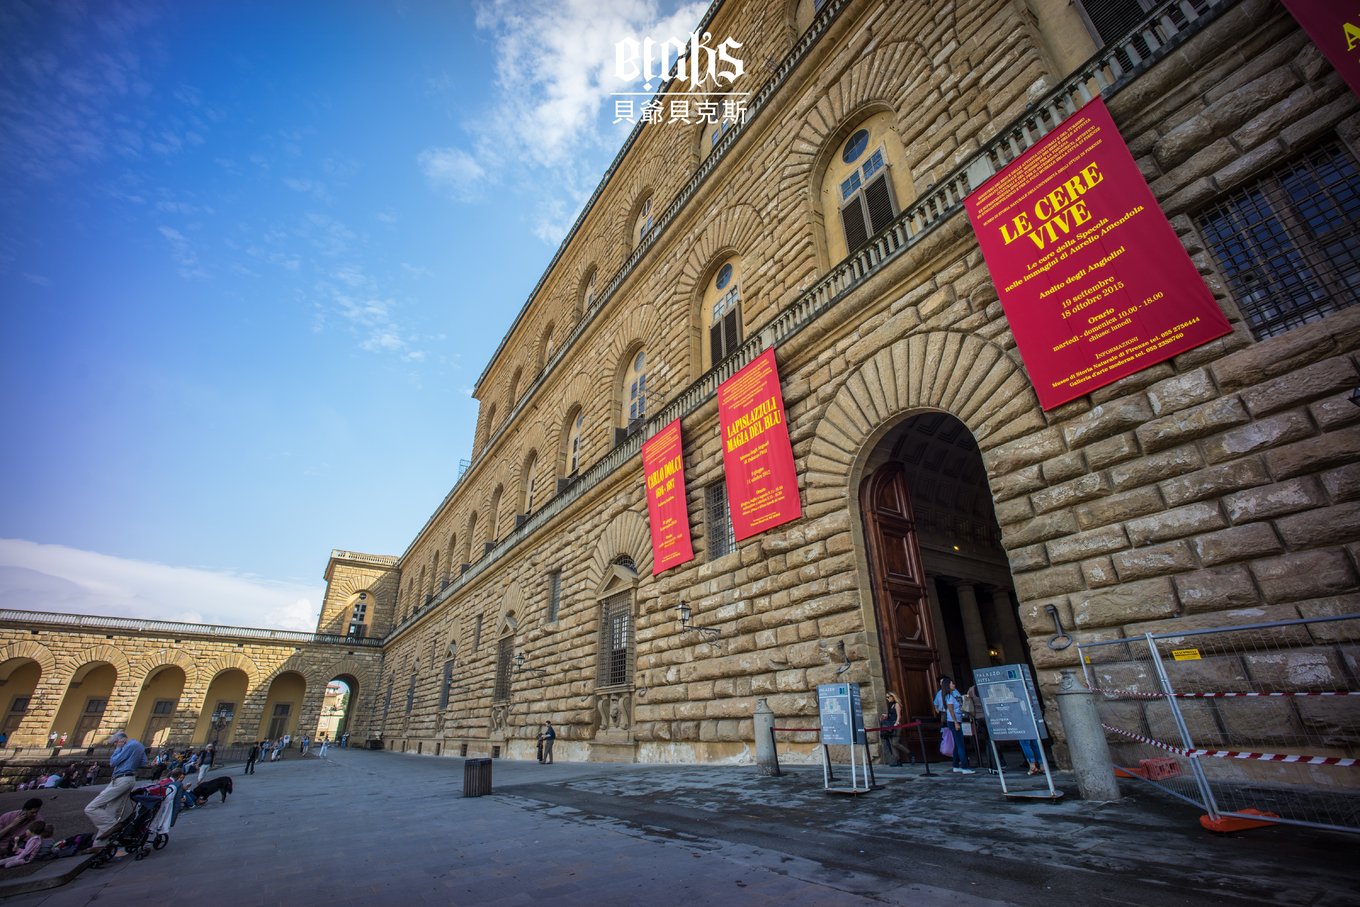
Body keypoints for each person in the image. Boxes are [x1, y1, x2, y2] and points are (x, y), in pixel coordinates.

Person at [82, 730, 147, 852]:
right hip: (130, 778)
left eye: (115, 743)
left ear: (121, 740)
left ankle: (113, 826)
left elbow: (113, 762)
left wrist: (118, 749)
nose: (115, 745)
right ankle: (99, 845)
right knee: (111, 812)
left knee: (92, 808)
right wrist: (131, 763)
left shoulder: (128, 746)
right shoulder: (139, 746)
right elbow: (143, 762)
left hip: (121, 780)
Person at [933, 676, 974, 775]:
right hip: (953, 721)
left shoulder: (952, 694)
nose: (954, 685)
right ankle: (965, 767)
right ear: (948, 685)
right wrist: (955, 722)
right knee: (960, 745)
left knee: (957, 744)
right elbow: (951, 711)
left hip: (956, 719)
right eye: (952, 683)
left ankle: (955, 765)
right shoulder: (949, 696)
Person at [879, 691, 909, 767]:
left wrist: (896, 723)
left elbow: (899, 716)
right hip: (891, 726)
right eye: (886, 697)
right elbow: (891, 715)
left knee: (895, 743)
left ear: (893, 697)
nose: (887, 699)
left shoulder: (897, 704)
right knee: (892, 744)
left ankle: (910, 753)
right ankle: (898, 761)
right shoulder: (891, 705)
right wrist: (885, 715)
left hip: (897, 726)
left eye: (888, 697)